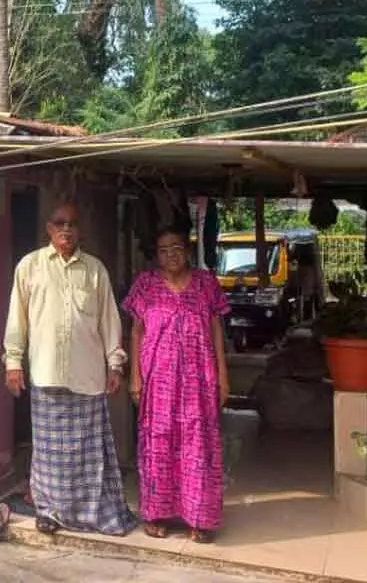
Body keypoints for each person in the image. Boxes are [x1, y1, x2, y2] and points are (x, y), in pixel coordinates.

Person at [3, 201, 137, 537]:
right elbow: (17, 320)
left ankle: (89, 512)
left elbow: (109, 321)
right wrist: (13, 362)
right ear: (48, 228)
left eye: (72, 223)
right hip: (46, 375)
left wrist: (115, 364)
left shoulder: (95, 270)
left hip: (87, 377)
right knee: (49, 456)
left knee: (87, 456)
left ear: (81, 230)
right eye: (59, 222)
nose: (66, 229)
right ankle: (49, 511)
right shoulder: (30, 267)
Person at [123, 226, 230, 544]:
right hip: (158, 381)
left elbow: (216, 331)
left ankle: (200, 518)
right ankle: (157, 514)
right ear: (156, 256)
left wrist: (223, 375)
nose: (171, 254)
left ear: (188, 250)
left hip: (199, 380)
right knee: (159, 444)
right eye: (164, 250)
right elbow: (136, 332)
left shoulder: (206, 283)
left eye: (177, 247)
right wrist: (135, 376)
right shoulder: (145, 285)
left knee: (198, 445)